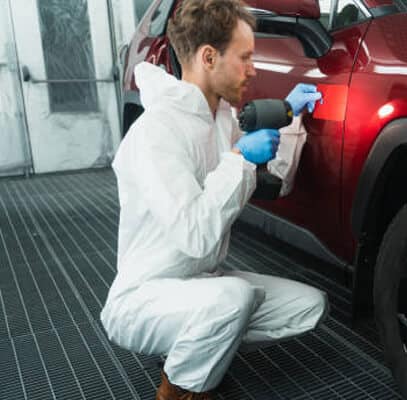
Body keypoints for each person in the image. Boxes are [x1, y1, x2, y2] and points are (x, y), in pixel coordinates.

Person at [99, 1, 327, 399]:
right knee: (231, 300)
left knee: (309, 305)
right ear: (208, 57)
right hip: (144, 297)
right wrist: (240, 161)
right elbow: (197, 235)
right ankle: (178, 389)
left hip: (205, 282)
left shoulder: (220, 119)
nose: (253, 69)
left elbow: (276, 182)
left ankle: (196, 343)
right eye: (245, 57)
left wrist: (291, 115)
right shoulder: (156, 133)